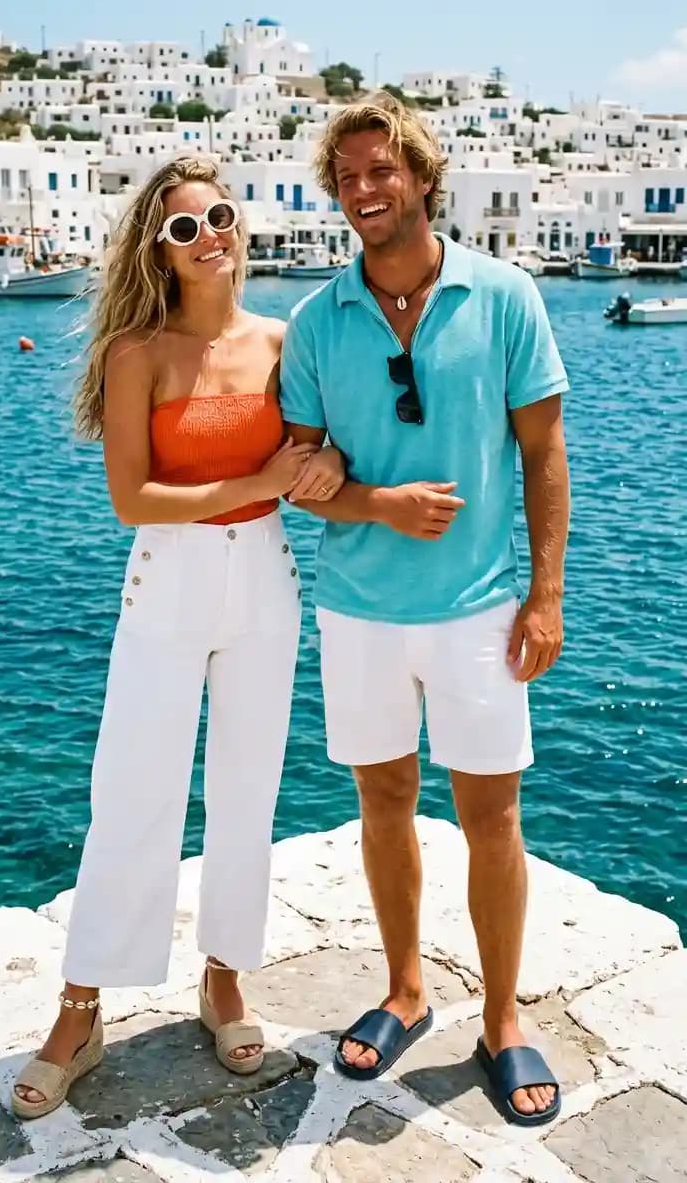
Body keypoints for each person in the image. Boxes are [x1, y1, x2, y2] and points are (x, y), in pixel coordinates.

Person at [12, 156, 344, 1118]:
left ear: (245, 226)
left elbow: (324, 450)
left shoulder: (284, 342)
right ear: (157, 251)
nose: (209, 239)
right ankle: (81, 1006)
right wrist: (263, 480)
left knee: (249, 786)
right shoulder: (137, 353)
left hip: (266, 582)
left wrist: (325, 471)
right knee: (133, 786)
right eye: (182, 229)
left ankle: (224, 977)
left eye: (220, 217)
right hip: (167, 578)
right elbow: (132, 498)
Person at [280, 94, 570, 1126]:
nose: (363, 189)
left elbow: (542, 454)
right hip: (357, 607)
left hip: (480, 609)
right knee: (384, 802)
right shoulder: (318, 322)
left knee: (493, 816)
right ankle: (406, 987)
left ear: (421, 178)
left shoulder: (506, 297)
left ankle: (502, 1018)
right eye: (347, 176)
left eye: (381, 170)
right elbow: (298, 469)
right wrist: (381, 506)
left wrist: (546, 595)